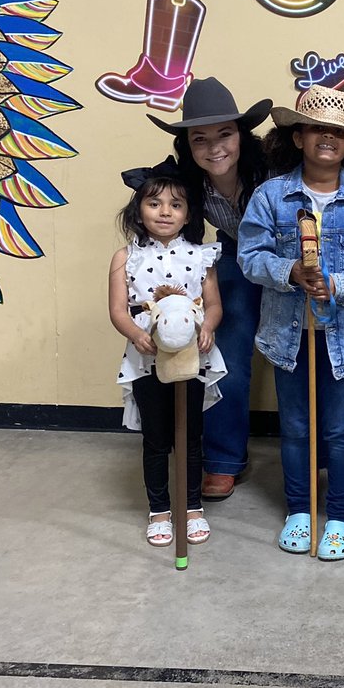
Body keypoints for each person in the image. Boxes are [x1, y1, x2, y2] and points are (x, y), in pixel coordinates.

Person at [238, 85, 344, 560]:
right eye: (316, 130)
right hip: (289, 337)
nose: (326, 139)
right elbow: (249, 254)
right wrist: (289, 271)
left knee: (338, 429)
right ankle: (298, 509)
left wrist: (339, 284)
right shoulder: (271, 197)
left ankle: (341, 516)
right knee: (294, 426)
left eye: (337, 132)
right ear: (297, 137)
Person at [146, 77, 273, 503]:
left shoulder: (271, 168)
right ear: (187, 145)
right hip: (234, 257)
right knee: (224, 354)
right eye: (200, 139)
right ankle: (222, 460)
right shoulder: (187, 185)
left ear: (241, 136)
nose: (214, 147)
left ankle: (318, 452)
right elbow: (179, 240)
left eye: (224, 134)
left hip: (289, 261)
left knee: (308, 354)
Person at [109, 172, 226, 547]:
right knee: (157, 438)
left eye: (175, 205)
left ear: (188, 212)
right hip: (147, 359)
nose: (164, 212)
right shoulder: (126, 258)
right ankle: (159, 509)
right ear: (138, 209)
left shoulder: (201, 255)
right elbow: (117, 310)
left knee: (191, 436)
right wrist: (137, 335)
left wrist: (208, 326)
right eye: (154, 203)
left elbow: (213, 305)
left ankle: (192, 507)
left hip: (191, 357)